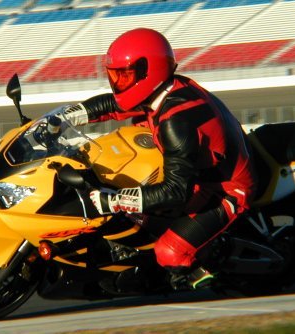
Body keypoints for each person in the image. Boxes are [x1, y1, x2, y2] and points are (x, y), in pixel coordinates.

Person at [63, 28, 257, 289]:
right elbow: (114, 104)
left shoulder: (176, 121)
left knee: (168, 253)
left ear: (148, 72)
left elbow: (176, 191)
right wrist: (65, 116)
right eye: (115, 75)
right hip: (200, 166)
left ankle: (206, 274)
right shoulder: (161, 91)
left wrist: (115, 200)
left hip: (225, 187)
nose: (118, 82)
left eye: (125, 75)